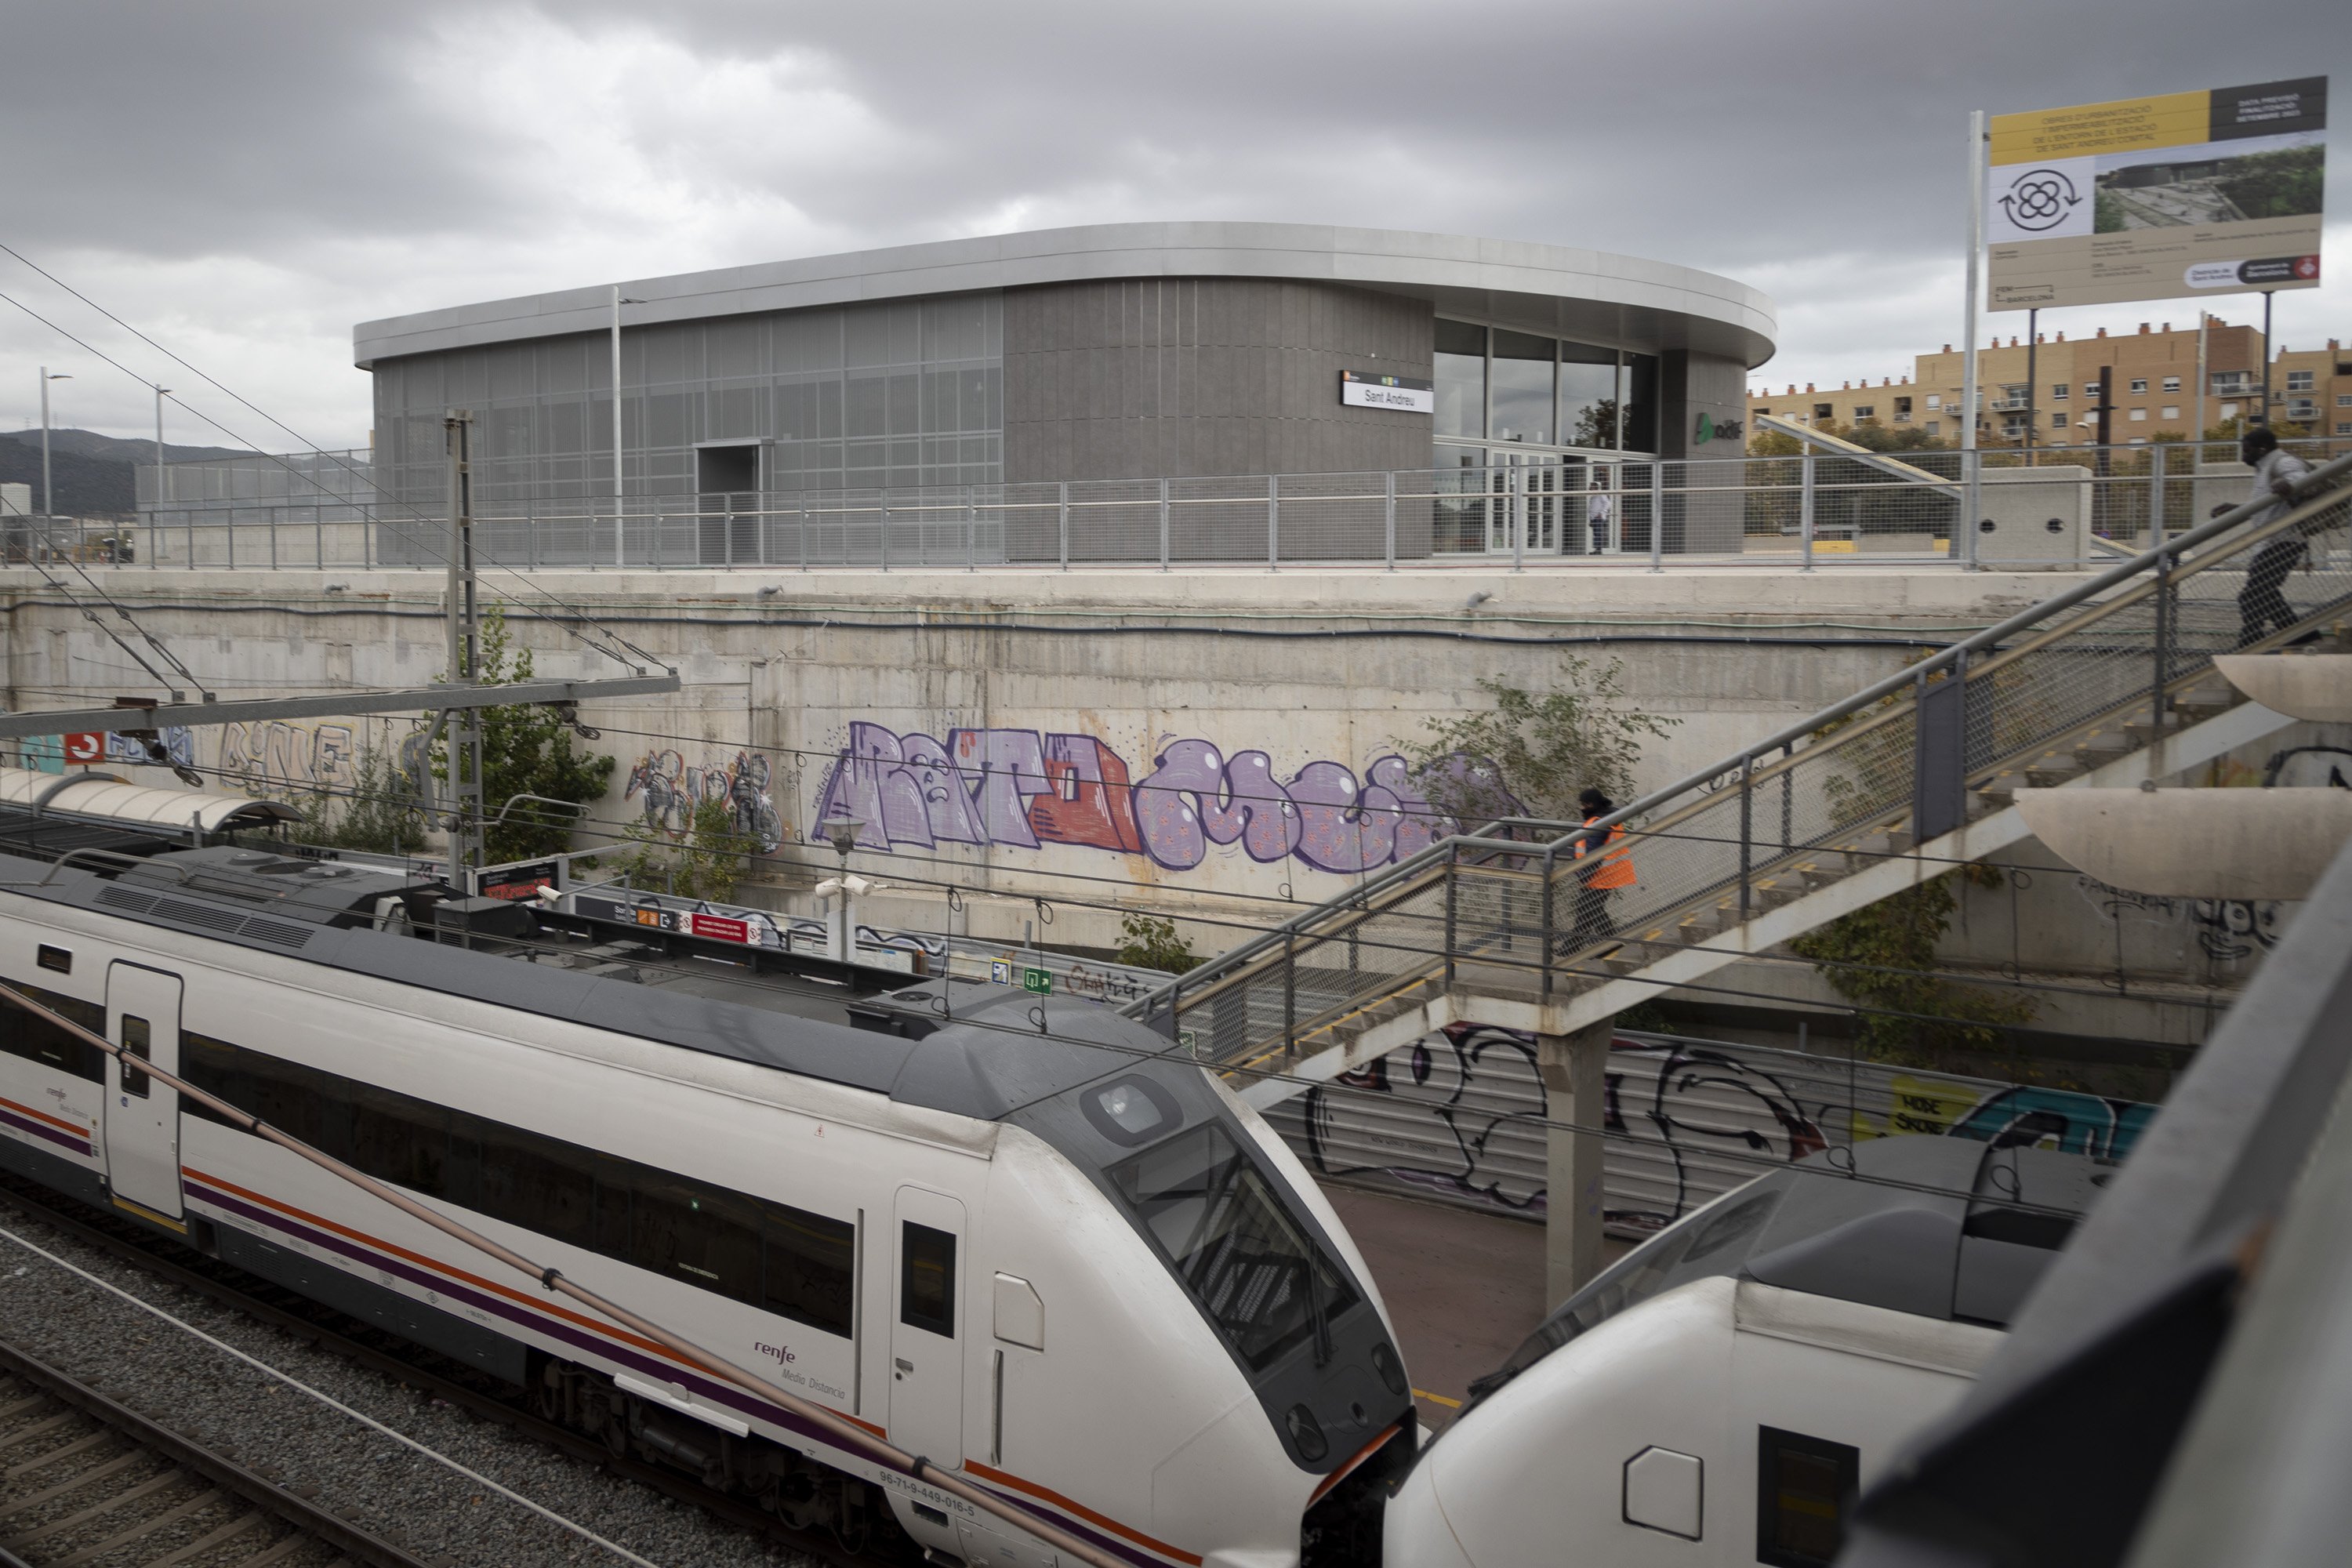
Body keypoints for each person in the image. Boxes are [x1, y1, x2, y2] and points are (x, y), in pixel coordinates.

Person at [2235, 426, 2315, 648]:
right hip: (2270, 542)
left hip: (2285, 541)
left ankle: (2250, 640)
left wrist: (2289, 484)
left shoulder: (2282, 461)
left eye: (2247, 451)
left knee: (2253, 594)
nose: (2244, 457)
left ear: (2262, 449)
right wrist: (2236, 508)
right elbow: (2264, 505)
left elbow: (2300, 478)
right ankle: (2300, 635)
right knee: (2263, 592)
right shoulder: (2264, 468)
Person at [1567, 786, 1636, 949]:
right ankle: (1609, 946)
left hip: (1599, 875)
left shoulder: (1600, 821)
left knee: (1586, 910)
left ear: (1590, 804)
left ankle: (1572, 947)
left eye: (1583, 805)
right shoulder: (1607, 817)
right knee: (1593, 910)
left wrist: (1584, 875)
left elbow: (1593, 851)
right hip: (1605, 873)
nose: (1581, 808)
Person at [1586, 473, 1614, 556]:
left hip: (1599, 517)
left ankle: (1599, 550)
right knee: (1596, 534)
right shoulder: (1593, 497)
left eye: (1593, 486)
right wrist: (1590, 518)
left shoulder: (1601, 494)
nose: (1591, 487)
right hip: (1593, 517)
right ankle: (1597, 549)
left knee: (1598, 533)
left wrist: (1602, 513)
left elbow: (1608, 503)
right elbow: (1591, 508)